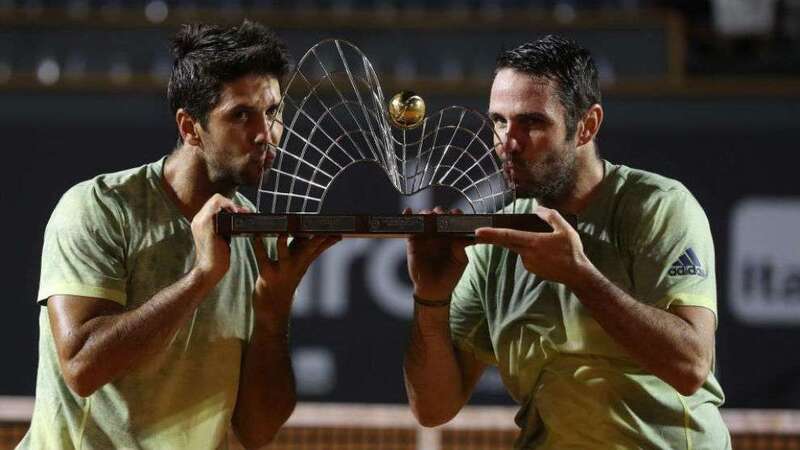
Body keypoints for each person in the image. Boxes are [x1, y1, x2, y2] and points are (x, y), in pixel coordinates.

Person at [18, 21, 339, 450]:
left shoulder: (253, 233)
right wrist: (201, 277)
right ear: (190, 128)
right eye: (240, 115)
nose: (266, 134)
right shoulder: (99, 208)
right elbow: (82, 367)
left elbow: (257, 431)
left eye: (272, 111)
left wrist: (273, 309)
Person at [403, 35, 731, 449]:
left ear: (586, 126)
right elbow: (433, 409)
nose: (508, 143)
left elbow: (692, 365)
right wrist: (430, 298)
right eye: (499, 121)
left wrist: (580, 276)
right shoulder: (493, 241)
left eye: (532, 123)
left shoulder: (658, 206)